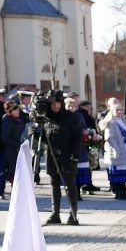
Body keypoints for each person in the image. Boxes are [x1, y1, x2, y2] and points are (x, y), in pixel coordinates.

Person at [39, 90, 83, 225]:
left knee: (70, 185)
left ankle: (73, 213)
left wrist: (75, 154)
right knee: (54, 185)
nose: (56, 106)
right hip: (52, 156)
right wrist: (35, 133)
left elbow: (77, 137)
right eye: (53, 104)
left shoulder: (71, 117)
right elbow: (43, 139)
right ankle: (55, 213)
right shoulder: (46, 118)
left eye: (58, 103)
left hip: (67, 156)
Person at [99, 100, 126, 200]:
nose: (119, 112)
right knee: (117, 173)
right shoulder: (111, 122)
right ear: (111, 111)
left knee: (123, 172)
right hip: (116, 151)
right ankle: (118, 191)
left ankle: (123, 190)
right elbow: (109, 138)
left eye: (120, 110)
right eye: (116, 110)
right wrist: (117, 149)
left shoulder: (123, 120)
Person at [0, 101, 25, 186]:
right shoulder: (7, 122)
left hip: (19, 150)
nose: (18, 111)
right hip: (11, 151)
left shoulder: (19, 120)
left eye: (18, 109)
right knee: (12, 172)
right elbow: (5, 138)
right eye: (15, 110)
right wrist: (17, 145)